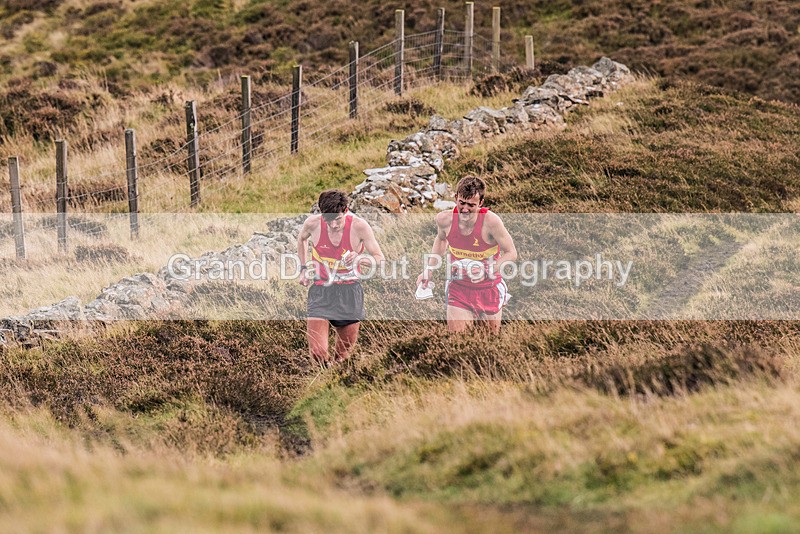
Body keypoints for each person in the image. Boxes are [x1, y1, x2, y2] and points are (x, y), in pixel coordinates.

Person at [416, 175, 517, 333]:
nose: (464, 209)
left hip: (489, 288)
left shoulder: (491, 222)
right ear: (456, 197)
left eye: (471, 205)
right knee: (458, 341)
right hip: (459, 287)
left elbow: (511, 253)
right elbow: (442, 241)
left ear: (481, 203)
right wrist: (428, 269)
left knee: (489, 342)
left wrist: (487, 270)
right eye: (461, 202)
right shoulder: (444, 219)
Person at [297, 189, 385, 366]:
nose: (334, 225)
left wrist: (360, 258)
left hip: (349, 291)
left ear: (345, 210)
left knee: (342, 357)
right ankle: (324, 374)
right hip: (321, 291)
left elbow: (379, 259)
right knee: (318, 353)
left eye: (337, 219)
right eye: (329, 221)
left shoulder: (359, 227)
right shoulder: (312, 224)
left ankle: (331, 383)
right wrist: (304, 268)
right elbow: (302, 240)